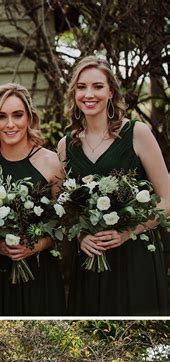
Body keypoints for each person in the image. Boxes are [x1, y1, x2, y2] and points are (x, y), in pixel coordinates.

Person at [58, 55, 169, 315]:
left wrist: (128, 231)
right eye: (82, 87)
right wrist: (81, 236)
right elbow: (66, 208)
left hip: (135, 256)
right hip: (90, 260)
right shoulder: (66, 146)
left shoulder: (137, 134)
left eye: (97, 86)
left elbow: (167, 199)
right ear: (74, 93)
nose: (89, 94)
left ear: (111, 91)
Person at [0, 82, 65, 317]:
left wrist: (38, 245)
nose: (10, 124)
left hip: (41, 271)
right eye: (2, 117)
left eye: (18, 115)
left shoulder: (52, 162)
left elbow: (64, 224)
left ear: (29, 117)